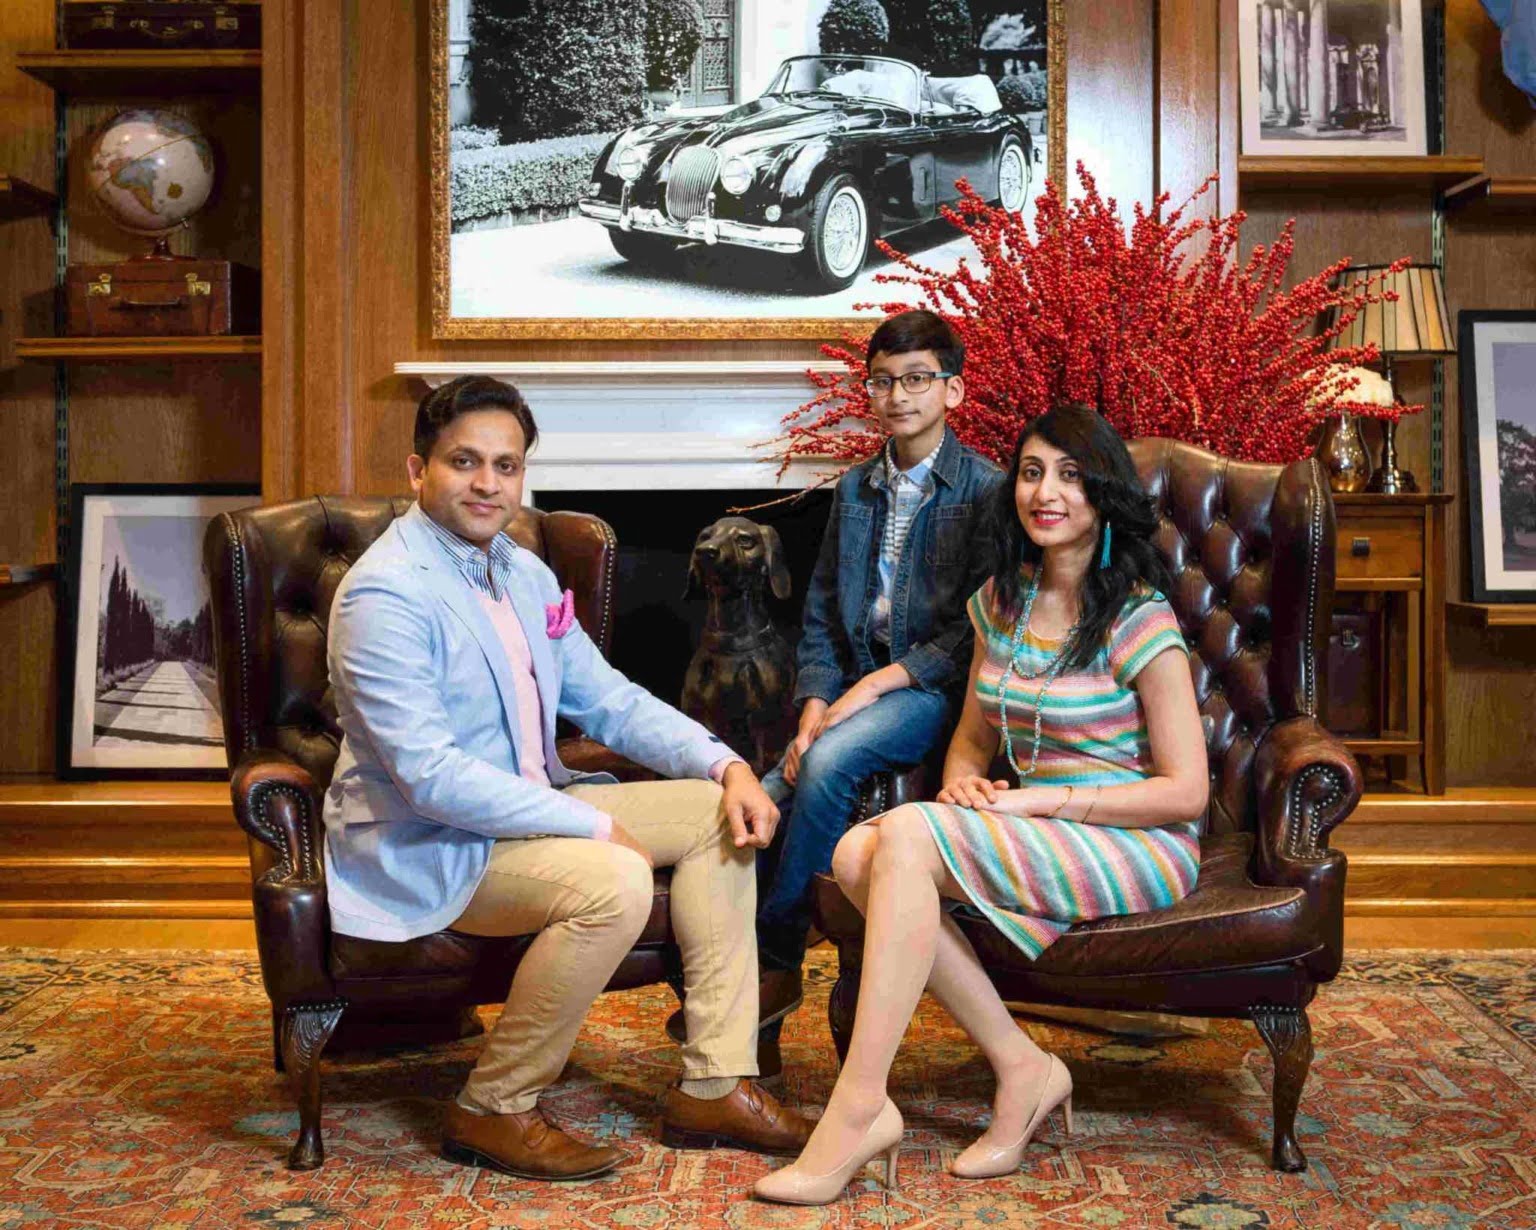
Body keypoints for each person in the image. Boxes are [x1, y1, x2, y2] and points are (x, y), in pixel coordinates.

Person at [323, 375, 811, 1182]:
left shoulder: (522, 572)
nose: (488, 484)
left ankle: (716, 1083)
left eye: (507, 465)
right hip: (430, 838)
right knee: (613, 881)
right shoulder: (385, 592)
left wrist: (726, 764)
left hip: (527, 811)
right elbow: (428, 777)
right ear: (418, 470)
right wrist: (590, 825)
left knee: (713, 810)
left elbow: (608, 698)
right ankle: (495, 1103)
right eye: (464, 461)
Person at [754, 403, 1209, 1204]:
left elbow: (1187, 791)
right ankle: (1022, 1065)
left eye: (1069, 476)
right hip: (1030, 820)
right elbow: (969, 740)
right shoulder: (1002, 601)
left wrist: (1045, 803)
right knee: (856, 854)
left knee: (897, 840)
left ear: (1102, 493)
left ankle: (859, 1105)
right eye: (1031, 473)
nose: (1045, 492)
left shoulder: (1139, 617)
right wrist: (964, 781)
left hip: (1137, 840)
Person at [675, 309, 1001, 1053]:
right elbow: (821, 609)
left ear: (952, 391)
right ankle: (725, 971)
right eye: (883, 382)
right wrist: (815, 703)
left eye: (917, 380)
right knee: (763, 790)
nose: (898, 396)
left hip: (931, 689)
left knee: (825, 761)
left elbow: (974, 630)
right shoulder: (855, 488)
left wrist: (869, 692)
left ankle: (778, 958)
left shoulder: (986, 489)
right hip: (853, 681)